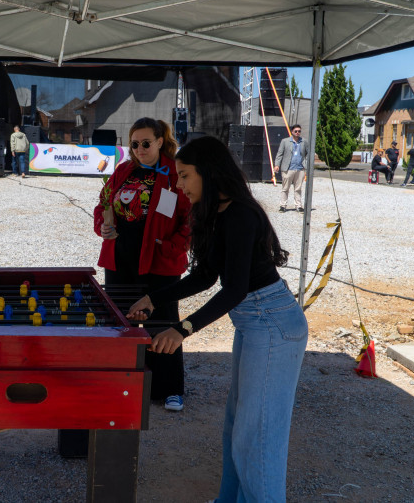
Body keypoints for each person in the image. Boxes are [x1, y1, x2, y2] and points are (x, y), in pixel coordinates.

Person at [127, 136, 307, 502]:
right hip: (254, 323)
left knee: (257, 436)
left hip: (273, 324)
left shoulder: (240, 213)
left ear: (209, 173)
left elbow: (235, 288)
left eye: (186, 176)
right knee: (235, 429)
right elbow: (206, 276)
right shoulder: (215, 211)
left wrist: (183, 330)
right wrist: (153, 298)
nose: (179, 185)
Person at [94, 117, 192, 411]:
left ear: (161, 141)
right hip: (121, 257)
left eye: (145, 143)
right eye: (134, 144)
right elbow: (102, 205)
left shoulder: (176, 174)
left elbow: (193, 216)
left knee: (161, 322)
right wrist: (103, 226)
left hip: (160, 261)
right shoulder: (124, 170)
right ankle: (125, 384)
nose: (139, 149)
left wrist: (174, 246)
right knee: (121, 321)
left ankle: (170, 388)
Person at [272, 124, 308, 212]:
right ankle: (283, 205)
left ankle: (298, 206)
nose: (297, 133)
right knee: (285, 188)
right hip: (288, 168)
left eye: (299, 131)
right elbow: (280, 154)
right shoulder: (285, 141)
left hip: (300, 168)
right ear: (292, 132)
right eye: (295, 131)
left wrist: (306, 164)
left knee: (298, 188)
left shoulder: (304, 141)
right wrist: (277, 165)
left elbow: (308, 153)